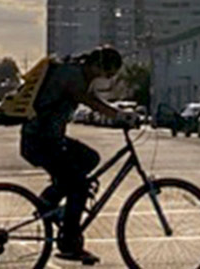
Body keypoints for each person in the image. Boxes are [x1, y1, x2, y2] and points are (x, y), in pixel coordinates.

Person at [21, 46, 135, 265]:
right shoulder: (71, 75)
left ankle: (50, 201)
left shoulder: (79, 74)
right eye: (107, 74)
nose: (107, 79)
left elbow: (93, 98)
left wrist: (119, 114)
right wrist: (119, 115)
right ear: (98, 66)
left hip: (50, 140)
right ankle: (70, 244)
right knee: (79, 186)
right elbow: (89, 101)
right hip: (40, 141)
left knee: (90, 159)